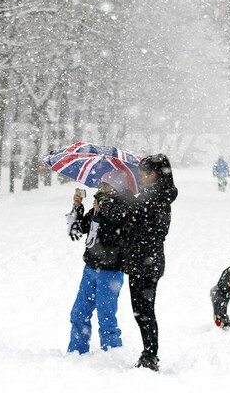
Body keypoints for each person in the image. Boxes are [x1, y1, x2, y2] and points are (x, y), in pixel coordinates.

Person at [97, 154, 178, 372]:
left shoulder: (153, 197)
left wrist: (103, 201)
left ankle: (150, 356)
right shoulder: (158, 196)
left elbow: (122, 215)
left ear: (153, 175)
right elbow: (134, 213)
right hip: (148, 260)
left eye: (142, 175)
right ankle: (149, 353)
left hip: (144, 261)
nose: (139, 178)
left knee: (143, 312)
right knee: (144, 310)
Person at [65, 170, 134, 354]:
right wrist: (78, 206)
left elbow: (117, 231)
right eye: (101, 185)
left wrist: (103, 208)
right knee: (79, 313)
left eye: (106, 185)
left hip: (110, 272)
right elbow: (79, 229)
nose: (102, 189)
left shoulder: (125, 205)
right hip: (91, 267)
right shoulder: (101, 204)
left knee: (106, 316)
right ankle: (77, 352)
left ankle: (111, 354)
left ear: (117, 186)